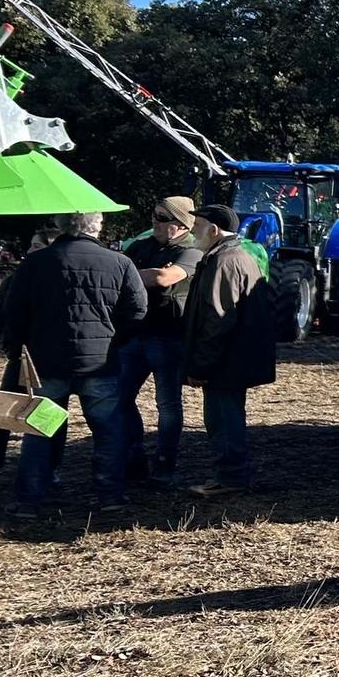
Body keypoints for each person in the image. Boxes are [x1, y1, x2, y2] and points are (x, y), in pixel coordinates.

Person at [0, 210, 147, 517]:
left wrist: (17, 348)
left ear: (60, 225)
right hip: (100, 360)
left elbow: (13, 311)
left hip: (47, 361)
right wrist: (116, 340)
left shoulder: (35, 263)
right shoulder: (119, 262)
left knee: (39, 431)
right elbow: (137, 310)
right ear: (99, 226)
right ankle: (110, 495)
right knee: (108, 430)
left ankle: (30, 499)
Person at [180, 204, 278, 498]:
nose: (193, 231)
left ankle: (231, 478)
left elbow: (218, 319)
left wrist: (201, 366)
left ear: (213, 230)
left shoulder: (223, 261)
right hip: (234, 358)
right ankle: (231, 475)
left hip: (226, 362)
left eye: (197, 226)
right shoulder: (239, 255)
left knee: (223, 420)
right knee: (227, 416)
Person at [0, 228, 65, 493]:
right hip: (21, 356)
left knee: (49, 415)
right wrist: (11, 343)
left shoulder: (62, 278)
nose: (31, 251)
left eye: (38, 246)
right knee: (2, 413)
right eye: (31, 246)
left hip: (51, 360)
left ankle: (49, 471)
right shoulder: (17, 278)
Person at [118, 194, 204, 486]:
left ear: (182, 224)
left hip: (169, 338)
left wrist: (126, 275)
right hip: (135, 335)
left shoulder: (192, 250)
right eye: (154, 215)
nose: (155, 221)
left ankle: (165, 464)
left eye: (162, 217)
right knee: (120, 398)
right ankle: (135, 454)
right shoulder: (141, 247)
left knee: (167, 405)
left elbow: (165, 278)